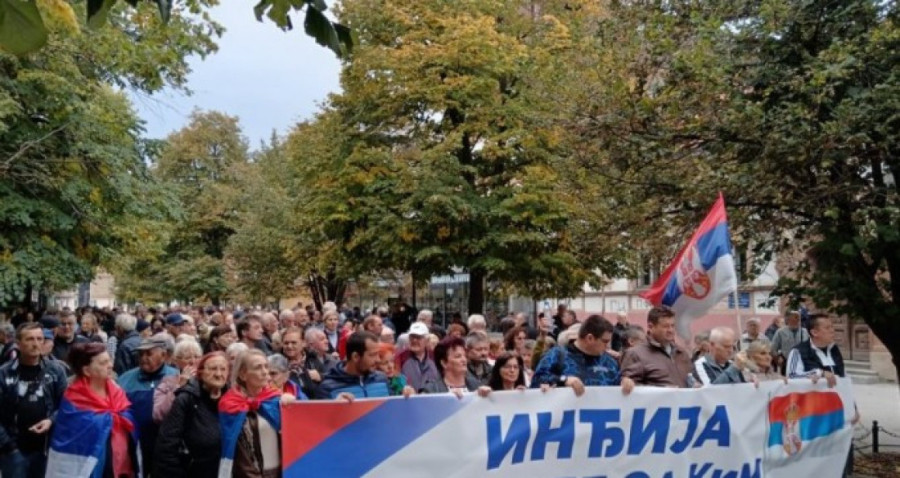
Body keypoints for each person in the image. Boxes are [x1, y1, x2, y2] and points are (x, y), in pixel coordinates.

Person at [46, 342, 138, 478]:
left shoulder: (117, 390)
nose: (111, 366)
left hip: (120, 464)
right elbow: (72, 440)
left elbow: (127, 419)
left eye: (110, 360)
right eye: (103, 363)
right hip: (87, 467)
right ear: (87, 370)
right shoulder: (74, 399)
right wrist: (108, 419)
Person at [0, 323, 68, 478]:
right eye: (30, 339)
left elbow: (66, 404)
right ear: (18, 343)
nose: (36, 343)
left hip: (46, 448)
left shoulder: (56, 370)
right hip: (14, 449)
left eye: (39, 339)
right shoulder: (4, 373)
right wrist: (8, 445)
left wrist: (51, 420)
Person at [155, 352, 229, 478]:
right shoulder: (186, 399)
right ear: (200, 373)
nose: (218, 374)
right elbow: (167, 446)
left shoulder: (232, 401)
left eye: (223, 369)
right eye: (212, 369)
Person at [117, 335, 178, 475]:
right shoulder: (125, 379)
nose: (144, 357)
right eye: (141, 354)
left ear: (163, 355)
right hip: (134, 443)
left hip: (166, 444)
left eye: (149, 353)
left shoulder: (176, 377)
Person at [531, 315, 634, 396]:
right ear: (589, 338)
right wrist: (564, 380)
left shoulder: (610, 362)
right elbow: (537, 381)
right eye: (605, 341)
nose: (607, 346)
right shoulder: (557, 355)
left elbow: (617, 381)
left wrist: (624, 382)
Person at [218, 349, 282, 478]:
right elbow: (237, 452)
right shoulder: (230, 404)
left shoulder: (275, 400)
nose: (265, 372)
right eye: (258, 368)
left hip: (282, 472)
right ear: (243, 374)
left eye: (266, 366)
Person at [316, 332, 412, 400]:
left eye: (378, 355)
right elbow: (321, 425)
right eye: (372, 355)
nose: (378, 360)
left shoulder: (381, 379)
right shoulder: (328, 388)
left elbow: (391, 412)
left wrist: (404, 398)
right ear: (356, 356)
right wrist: (334, 409)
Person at [621, 306, 693, 388]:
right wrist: (661, 391)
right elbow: (631, 390)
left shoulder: (681, 353)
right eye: (665, 326)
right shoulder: (635, 354)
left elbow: (691, 380)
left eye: (673, 326)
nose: (671, 330)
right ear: (651, 327)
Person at [153, 339, 202, 423]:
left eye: (197, 357)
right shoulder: (168, 382)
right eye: (187, 358)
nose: (193, 361)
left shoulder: (207, 380)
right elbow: (158, 414)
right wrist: (178, 386)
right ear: (176, 361)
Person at [714, 341, 784, 385]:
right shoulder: (741, 376)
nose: (768, 357)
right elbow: (715, 388)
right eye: (763, 353)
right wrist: (746, 385)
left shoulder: (775, 376)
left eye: (769, 353)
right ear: (750, 356)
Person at [396, 322, 440, 391]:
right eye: (412, 337)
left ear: (427, 340)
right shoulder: (400, 357)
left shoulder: (435, 357)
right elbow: (394, 379)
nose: (414, 340)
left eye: (418, 337)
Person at [281, 328, 318, 398]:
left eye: (293, 342)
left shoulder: (314, 360)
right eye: (286, 343)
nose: (289, 346)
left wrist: (320, 377)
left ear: (303, 343)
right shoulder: (277, 364)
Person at [771, 311, 809, 375]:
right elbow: (773, 349)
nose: (797, 320)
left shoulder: (805, 332)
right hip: (786, 362)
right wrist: (777, 359)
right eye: (794, 318)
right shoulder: (780, 332)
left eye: (798, 319)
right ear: (788, 320)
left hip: (803, 362)